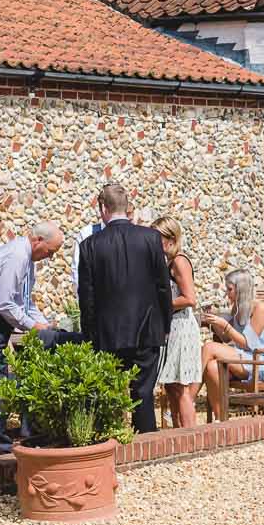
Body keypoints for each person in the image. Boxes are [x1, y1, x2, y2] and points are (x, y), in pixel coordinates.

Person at [76, 182, 173, 434]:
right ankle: (146, 448)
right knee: (142, 392)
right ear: (127, 207)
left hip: (107, 333)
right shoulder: (151, 238)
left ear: (103, 208)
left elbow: (86, 297)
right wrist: (166, 324)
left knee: (107, 392)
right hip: (147, 328)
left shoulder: (89, 246)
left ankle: (107, 442)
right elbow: (163, 286)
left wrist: (89, 335)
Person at [0, 221, 64, 456]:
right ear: (38, 241)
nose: (49, 257)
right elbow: (3, 302)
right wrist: (32, 326)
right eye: (50, 251)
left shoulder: (25, 256)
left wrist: (42, 323)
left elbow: (23, 302)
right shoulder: (19, 256)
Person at [200, 269, 264, 422]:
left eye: (229, 289)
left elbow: (249, 344)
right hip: (244, 359)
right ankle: (221, 420)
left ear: (240, 289)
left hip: (261, 362)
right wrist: (214, 323)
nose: (227, 293)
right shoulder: (237, 308)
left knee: (209, 347)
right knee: (212, 367)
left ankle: (189, 395)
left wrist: (225, 325)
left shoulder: (260, 308)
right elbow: (227, 339)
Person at [154, 215, 202, 429]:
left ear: (171, 239)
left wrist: (160, 303)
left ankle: (190, 436)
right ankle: (179, 434)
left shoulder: (179, 261)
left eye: (158, 238)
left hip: (181, 325)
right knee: (172, 385)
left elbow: (190, 298)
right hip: (174, 325)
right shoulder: (169, 262)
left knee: (181, 386)